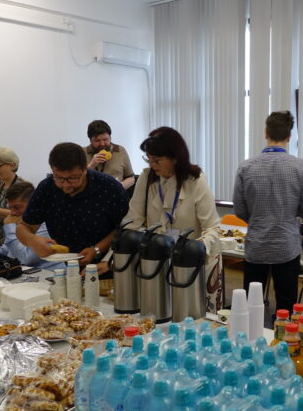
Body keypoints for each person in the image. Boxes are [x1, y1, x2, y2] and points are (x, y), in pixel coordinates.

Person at [123, 127, 222, 311]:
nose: (152, 165)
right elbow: (133, 220)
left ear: (175, 158)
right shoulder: (147, 178)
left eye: (157, 160)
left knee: (192, 317)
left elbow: (212, 227)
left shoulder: (196, 181)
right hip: (157, 261)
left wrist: (195, 248)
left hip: (191, 264)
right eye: (149, 159)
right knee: (160, 314)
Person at [232, 111, 303, 312]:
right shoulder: (300, 167)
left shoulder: (246, 167)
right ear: (289, 136)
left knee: (250, 305)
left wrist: (257, 218)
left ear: (265, 133)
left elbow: (239, 209)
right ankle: (285, 340)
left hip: (256, 245)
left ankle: (250, 339)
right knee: (286, 305)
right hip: (287, 246)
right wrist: (289, 213)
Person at [17, 142, 130, 267]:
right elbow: (23, 228)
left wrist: (96, 249)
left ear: (85, 169)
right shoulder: (47, 188)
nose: (65, 185)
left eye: (73, 178)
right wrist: (32, 240)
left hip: (112, 265)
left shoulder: (108, 187)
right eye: (59, 178)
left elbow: (126, 228)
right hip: (71, 267)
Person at [0, 181, 61, 270]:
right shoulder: (21, 221)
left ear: (33, 204)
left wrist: (10, 226)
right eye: (10, 208)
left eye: (17, 207)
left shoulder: (46, 224)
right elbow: (9, 248)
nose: (12, 213)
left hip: (48, 276)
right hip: (27, 274)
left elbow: (25, 259)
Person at [84, 119, 136, 190]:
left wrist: (120, 186)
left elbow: (131, 178)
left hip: (116, 196)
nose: (102, 144)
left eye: (105, 139)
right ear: (90, 140)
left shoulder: (120, 150)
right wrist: (91, 165)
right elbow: (77, 179)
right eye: (97, 141)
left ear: (110, 137)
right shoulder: (82, 152)